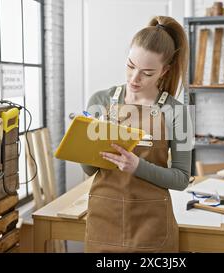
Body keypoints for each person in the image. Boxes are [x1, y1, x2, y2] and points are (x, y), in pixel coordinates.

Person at [81, 15, 193, 253]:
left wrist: (137, 166)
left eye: (147, 72)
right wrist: (83, 142)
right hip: (103, 220)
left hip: (152, 228)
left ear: (165, 70)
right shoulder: (99, 102)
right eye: (131, 66)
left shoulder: (178, 112)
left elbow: (182, 179)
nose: (134, 78)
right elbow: (90, 171)